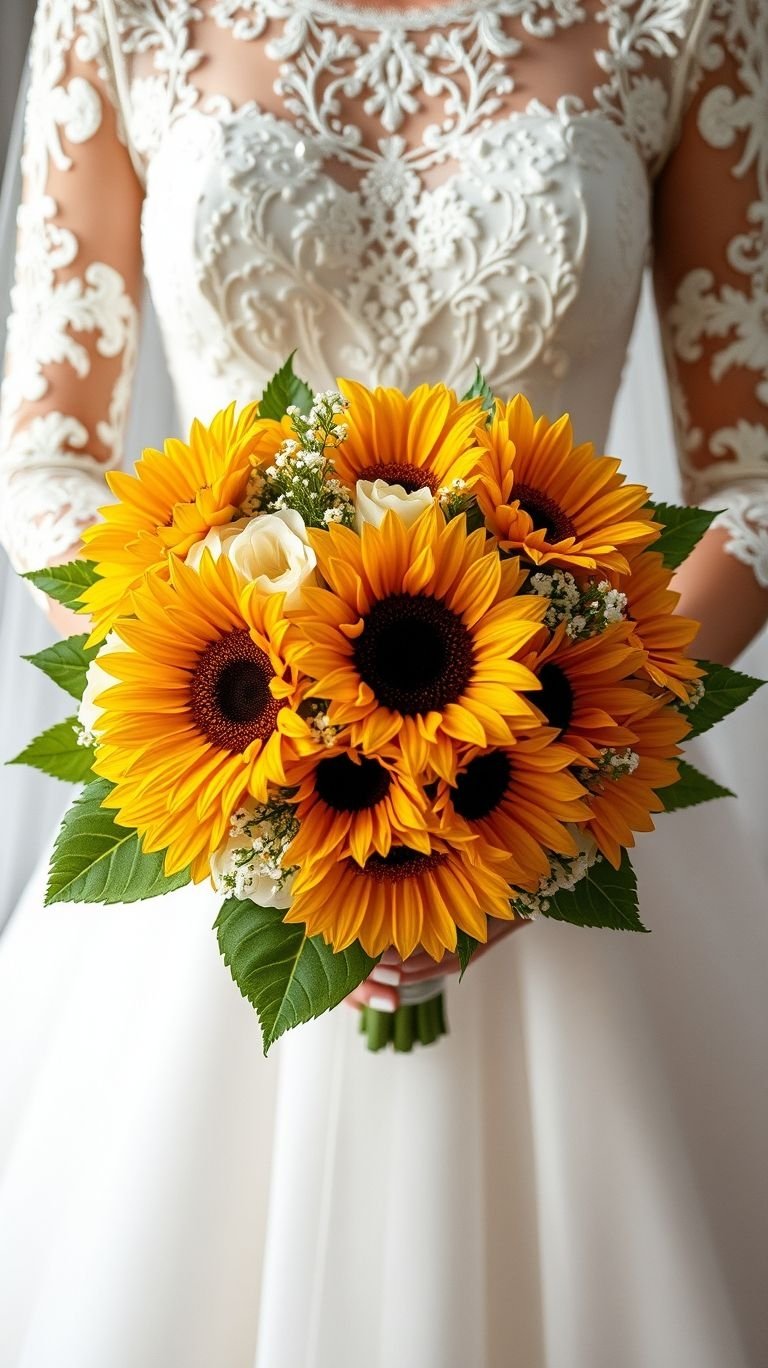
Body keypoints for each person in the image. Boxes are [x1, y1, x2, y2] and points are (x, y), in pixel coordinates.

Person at [0, 2, 766, 1365]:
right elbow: (47, 455)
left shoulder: (686, 15)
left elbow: (752, 480)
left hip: (571, 775)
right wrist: (226, 713)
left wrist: (573, 750)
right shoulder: (117, 12)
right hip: (221, 759)